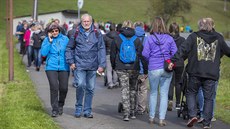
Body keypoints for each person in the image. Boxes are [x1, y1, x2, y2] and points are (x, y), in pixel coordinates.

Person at [168, 18, 230, 129]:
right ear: (211, 26)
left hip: (195, 72)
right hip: (211, 73)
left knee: (191, 93)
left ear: (200, 26)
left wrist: (172, 61)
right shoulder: (219, 38)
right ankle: (206, 123)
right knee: (209, 98)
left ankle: (192, 115)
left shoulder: (193, 37)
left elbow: (182, 50)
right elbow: (228, 51)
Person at [65, 14, 106, 118]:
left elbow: (101, 49)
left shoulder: (97, 33)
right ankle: (78, 107)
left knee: (90, 88)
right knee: (80, 85)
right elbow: (69, 48)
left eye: (88, 21)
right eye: (84, 21)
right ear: (81, 22)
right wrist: (71, 62)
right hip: (79, 65)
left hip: (93, 65)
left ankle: (87, 110)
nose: (86, 23)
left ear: (91, 22)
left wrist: (102, 65)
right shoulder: (76, 32)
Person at [142, 17, 177, 126]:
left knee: (153, 93)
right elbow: (175, 53)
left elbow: (144, 54)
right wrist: (169, 60)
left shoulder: (150, 38)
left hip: (154, 67)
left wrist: (150, 60)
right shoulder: (170, 39)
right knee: (164, 94)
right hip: (167, 68)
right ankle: (161, 119)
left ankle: (152, 117)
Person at [110, 20, 148, 121]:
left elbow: (113, 54)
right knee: (133, 89)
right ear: (132, 27)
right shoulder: (137, 40)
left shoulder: (117, 38)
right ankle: (132, 112)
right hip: (134, 68)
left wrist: (114, 66)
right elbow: (142, 56)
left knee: (124, 89)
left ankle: (126, 114)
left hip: (121, 67)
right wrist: (145, 70)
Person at [41, 23, 70, 117]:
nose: (54, 32)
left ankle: (60, 104)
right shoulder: (46, 40)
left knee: (64, 88)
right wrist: (49, 42)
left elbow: (70, 51)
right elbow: (43, 53)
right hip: (51, 67)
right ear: (49, 32)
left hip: (64, 67)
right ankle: (54, 109)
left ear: (59, 30)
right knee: (54, 87)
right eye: (52, 31)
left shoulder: (65, 39)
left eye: (56, 30)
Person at [167, 22, 185, 111]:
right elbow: (186, 52)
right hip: (180, 63)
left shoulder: (167, 38)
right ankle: (178, 103)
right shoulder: (182, 40)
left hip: (169, 62)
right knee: (178, 83)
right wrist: (182, 59)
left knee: (170, 82)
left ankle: (169, 99)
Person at [133, 21, 148, 115]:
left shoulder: (131, 38)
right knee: (143, 89)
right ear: (143, 28)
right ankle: (141, 108)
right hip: (143, 68)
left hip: (133, 67)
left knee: (133, 88)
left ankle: (132, 106)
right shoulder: (147, 39)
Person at [103, 23, 119, 89]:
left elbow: (103, 46)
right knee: (115, 69)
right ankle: (115, 82)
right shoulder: (118, 36)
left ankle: (110, 83)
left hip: (108, 53)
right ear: (115, 28)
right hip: (116, 54)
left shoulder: (106, 36)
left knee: (109, 70)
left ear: (109, 28)